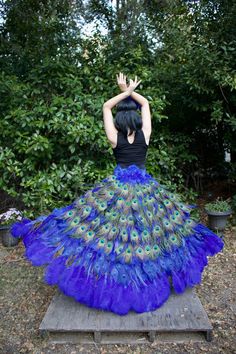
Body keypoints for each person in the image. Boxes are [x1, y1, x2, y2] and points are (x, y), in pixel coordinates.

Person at [11, 72, 224, 316]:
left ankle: (116, 288)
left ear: (120, 121)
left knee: (110, 238)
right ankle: (145, 285)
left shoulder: (114, 138)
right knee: (148, 237)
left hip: (117, 191)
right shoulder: (145, 135)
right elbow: (146, 104)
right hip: (146, 192)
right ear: (135, 119)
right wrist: (131, 91)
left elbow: (105, 106)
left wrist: (122, 91)